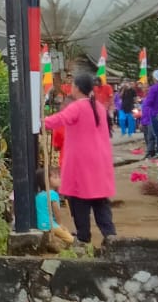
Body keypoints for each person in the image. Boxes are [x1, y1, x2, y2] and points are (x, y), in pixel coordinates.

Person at [44, 73, 118, 252]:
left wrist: (40, 122)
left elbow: (59, 120)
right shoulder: (98, 106)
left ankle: (84, 237)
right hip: (99, 164)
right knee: (100, 203)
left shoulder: (77, 107)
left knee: (79, 202)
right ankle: (111, 237)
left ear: (77, 88)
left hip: (80, 164)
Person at [34, 167, 74, 247]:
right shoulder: (52, 194)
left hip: (39, 224)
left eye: (59, 177)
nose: (59, 179)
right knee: (70, 239)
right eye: (55, 177)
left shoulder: (39, 195)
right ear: (46, 181)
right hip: (50, 224)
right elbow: (56, 211)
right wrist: (60, 224)